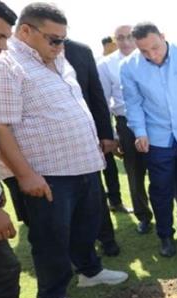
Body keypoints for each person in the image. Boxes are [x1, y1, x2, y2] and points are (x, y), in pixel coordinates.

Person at [0, 2, 128, 298]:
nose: (60, 45)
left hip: (84, 162)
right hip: (48, 173)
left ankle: (90, 271)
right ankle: (52, 294)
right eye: (54, 39)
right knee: (51, 236)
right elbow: (2, 127)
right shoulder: (5, 67)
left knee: (87, 224)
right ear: (25, 32)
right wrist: (25, 175)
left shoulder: (59, 59)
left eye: (63, 39)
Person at [121, 22, 177, 257]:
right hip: (157, 138)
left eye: (155, 47)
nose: (152, 55)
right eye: (144, 51)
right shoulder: (129, 67)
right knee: (160, 189)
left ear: (163, 36)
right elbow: (133, 103)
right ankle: (165, 236)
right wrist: (140, 131)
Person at [64, 38, 122, 257]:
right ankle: (73, 247)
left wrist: (106, 134)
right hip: (50, 145)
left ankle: (106, 238)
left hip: (87, 136)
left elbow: (96, 94)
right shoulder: (19, 55)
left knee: (94, 191)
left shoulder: (80, 51)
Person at [97, 24, 154, 235]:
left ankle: (166, 213)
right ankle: (143, 216)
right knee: (135, 172)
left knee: (161, 170)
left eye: (130, 36)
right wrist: (112, 135)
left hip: (154, 122)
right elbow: (102, 101)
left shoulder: (149, 58)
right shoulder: (106, 65)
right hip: (126, 124)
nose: (126, 41)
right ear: (114, 40)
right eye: (120, 37)